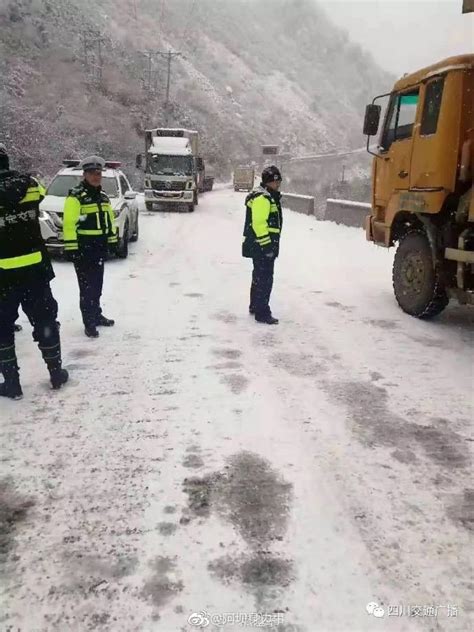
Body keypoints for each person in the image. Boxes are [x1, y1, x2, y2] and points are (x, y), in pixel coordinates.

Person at [0, 144, 69, 399]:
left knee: (3, 329)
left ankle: (12, 383)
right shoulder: (30, 184)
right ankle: (55, 372)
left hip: (2, 275)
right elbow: (40, 196)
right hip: (35, 271)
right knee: (45, 321)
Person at [63, 155, 117, 338]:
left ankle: (96, 314)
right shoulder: (76, 196)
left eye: (99, 173)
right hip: (84, 248)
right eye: (92, 173)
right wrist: (72, 248)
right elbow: (69, 223)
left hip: (99, 246)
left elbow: (109, 220)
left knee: (97, 285)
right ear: (84, 175)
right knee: (87, 288)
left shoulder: (102, 197)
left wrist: (112, 240)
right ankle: (89, 322)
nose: (96, 176)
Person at [242, 165, 283, 325]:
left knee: (259, 276)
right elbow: (259, 224)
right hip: (262, 245)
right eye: (276, 181)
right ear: (268, 182)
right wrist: (267, 247)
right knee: (265, 278)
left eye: (279, 181)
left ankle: (255, 305)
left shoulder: (266, 196)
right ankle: (262, 312)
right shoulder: (263, 198)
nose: (278, 184)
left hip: (259, 244)